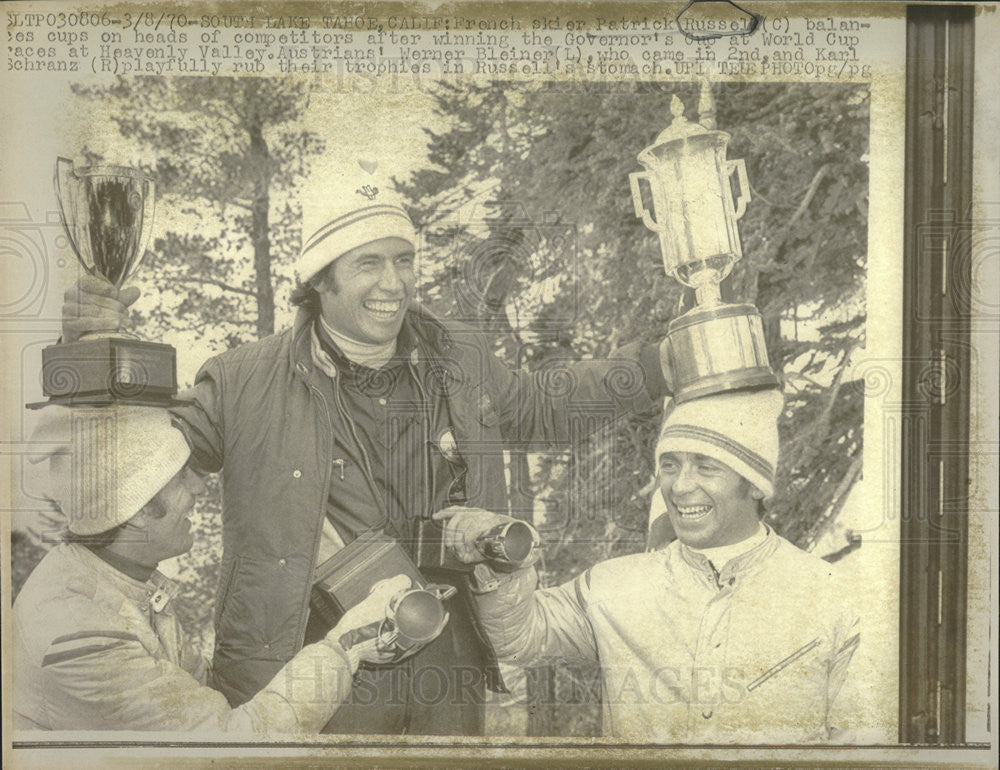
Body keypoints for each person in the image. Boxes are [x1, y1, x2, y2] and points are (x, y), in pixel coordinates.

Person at [60, 159, 672, 735]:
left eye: (404, 260)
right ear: (319, 280)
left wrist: (657, 368)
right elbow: (139, 461)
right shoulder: (242, 380)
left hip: (447, 662)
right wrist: (91, 361)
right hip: (309, 671)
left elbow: (543, 405)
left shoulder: (458, 356)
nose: (394, 283)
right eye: (368, 264)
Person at [436, 388, 861, 742]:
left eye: (706, 466)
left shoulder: (831, 597)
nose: (680, 485)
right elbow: (520, 638)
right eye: (670, 464)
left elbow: (860, 750)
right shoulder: (615, 586)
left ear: (754, 483)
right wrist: (498, 556)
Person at [12, 405, 416, 732]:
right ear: (135, 512)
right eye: (180, 477)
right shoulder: (77, 629)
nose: (197, 488)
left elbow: (196, 695)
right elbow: (230, 747)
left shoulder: (125, 580)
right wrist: (345, 646)